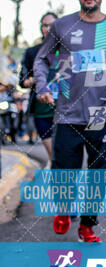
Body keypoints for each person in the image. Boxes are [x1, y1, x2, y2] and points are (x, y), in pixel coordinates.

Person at [34, 0, 106, 243]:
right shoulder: (62, 26)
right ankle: (65, 210)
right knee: (62, 172)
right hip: (68, 113)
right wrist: (42, 87)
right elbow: (42, 60)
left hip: (104, 112)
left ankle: (87, 225)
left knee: (100, 175)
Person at [19, 12, 58, 165]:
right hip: (41, 112)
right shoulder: (32, 52)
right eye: (44, 25)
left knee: (62, 155)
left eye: (52, 25)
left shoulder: (67, 50)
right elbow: (22, 81)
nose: (48, 29)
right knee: (54, 156)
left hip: (65, 111)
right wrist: (37, 78)